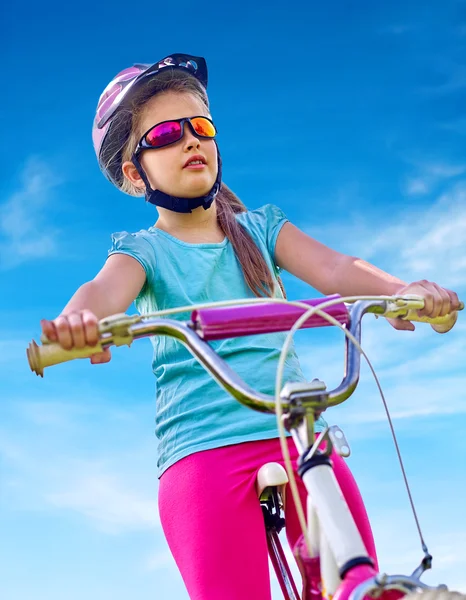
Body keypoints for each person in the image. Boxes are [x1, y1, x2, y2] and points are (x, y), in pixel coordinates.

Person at [40, 53, 460, 600]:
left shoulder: (260, 230)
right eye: (166, 133)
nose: (191, 141)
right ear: (132, 172)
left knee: (354, 570)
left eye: (202, 128)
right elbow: (101, 293)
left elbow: (335, 269)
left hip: (297, 432)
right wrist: (81, 320)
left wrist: (401, 292)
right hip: (202, 448)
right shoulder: (143, 251)